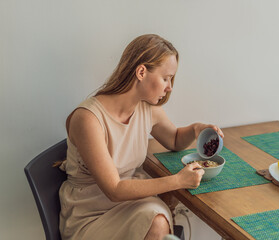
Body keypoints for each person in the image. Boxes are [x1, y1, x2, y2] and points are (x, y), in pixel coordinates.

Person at [58, 34, 224, 240]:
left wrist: (195, 129)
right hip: (90, 216)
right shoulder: (87, 119)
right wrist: (178, 181)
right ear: (141, 72)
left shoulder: (146, 108)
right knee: (157, 219)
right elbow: (115, 189)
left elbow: (173, 140)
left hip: (130, 205)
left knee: (157, 218)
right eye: (166, 78)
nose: (170, 86)